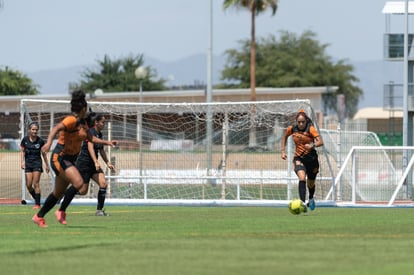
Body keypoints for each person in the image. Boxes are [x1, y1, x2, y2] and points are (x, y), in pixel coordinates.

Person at [32, 90, 117, 228]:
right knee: (78, 182)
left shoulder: (84, 123)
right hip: (59, 157)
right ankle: (61, 211)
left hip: (70, 159)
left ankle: (39, 216)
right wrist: (48, 143)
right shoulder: (71, 120)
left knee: (57, 193)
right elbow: (56, 128)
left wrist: (108, 143)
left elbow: (91, 138)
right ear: (83, 108)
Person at [57, 112, 115, 218]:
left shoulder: (99, 134)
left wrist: (107, 162)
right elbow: (90, 147)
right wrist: (96, 161)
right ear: (96, 122)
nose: (104, 124)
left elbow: (101, 149)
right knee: (83, 191)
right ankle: (63, 193)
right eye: (103, 122)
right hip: (84, 164)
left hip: (93, 166)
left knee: (103, 184)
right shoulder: (90, 132)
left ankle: (99, 210)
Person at [280, 109, 323, 211]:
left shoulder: (311, 129)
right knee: (302, 177)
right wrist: (282, 151)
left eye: (303, 122)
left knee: (311, 183)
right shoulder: (292, 129)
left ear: (306, 121)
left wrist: (312, 146)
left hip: (312, 160)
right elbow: (284, 137)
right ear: (296, 121)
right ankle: (302, 203)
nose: (301, 124)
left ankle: (311, 198)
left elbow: (320, 141)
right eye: (299, 122)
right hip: (299, 158)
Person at [20, 121, 50, 209]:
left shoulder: (40, 141)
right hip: (28, 164)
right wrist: (22, 162)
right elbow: (22, 151)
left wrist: (47, 165)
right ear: (29, 130)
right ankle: (36, 198)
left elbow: (44, 154)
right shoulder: (25, 140)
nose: (34, 131)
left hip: (37, 163)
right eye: (33, 129)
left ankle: (37, 204)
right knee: (29, 185)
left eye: (36, 130)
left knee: (36, 183)